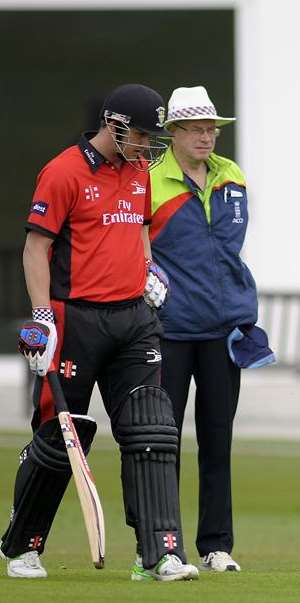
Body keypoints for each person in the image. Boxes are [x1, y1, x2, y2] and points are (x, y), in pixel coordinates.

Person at [3, 84, 199, 581]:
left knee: (152, 428)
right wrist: (41, 316)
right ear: (112, 126)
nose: (147, 145)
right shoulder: (63, 170)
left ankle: (158, 554)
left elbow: (136, 229)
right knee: (59, 433)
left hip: (134, 319)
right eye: (140, 134)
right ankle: (22, 546)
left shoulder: (138, 172)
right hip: (76, 319)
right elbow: (35, 248)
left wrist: (150, 271)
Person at [148, 86, 270, 573]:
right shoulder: (151, 181)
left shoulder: (230, 175)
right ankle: (164, 544)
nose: (207, 135)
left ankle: (217, 546)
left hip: (222, 331)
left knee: (217, 440)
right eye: (197, 128)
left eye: (212, 127)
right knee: (164, 440)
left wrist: (242, 314)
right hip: (170, 328)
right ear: (173, 132)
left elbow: (226, 252)